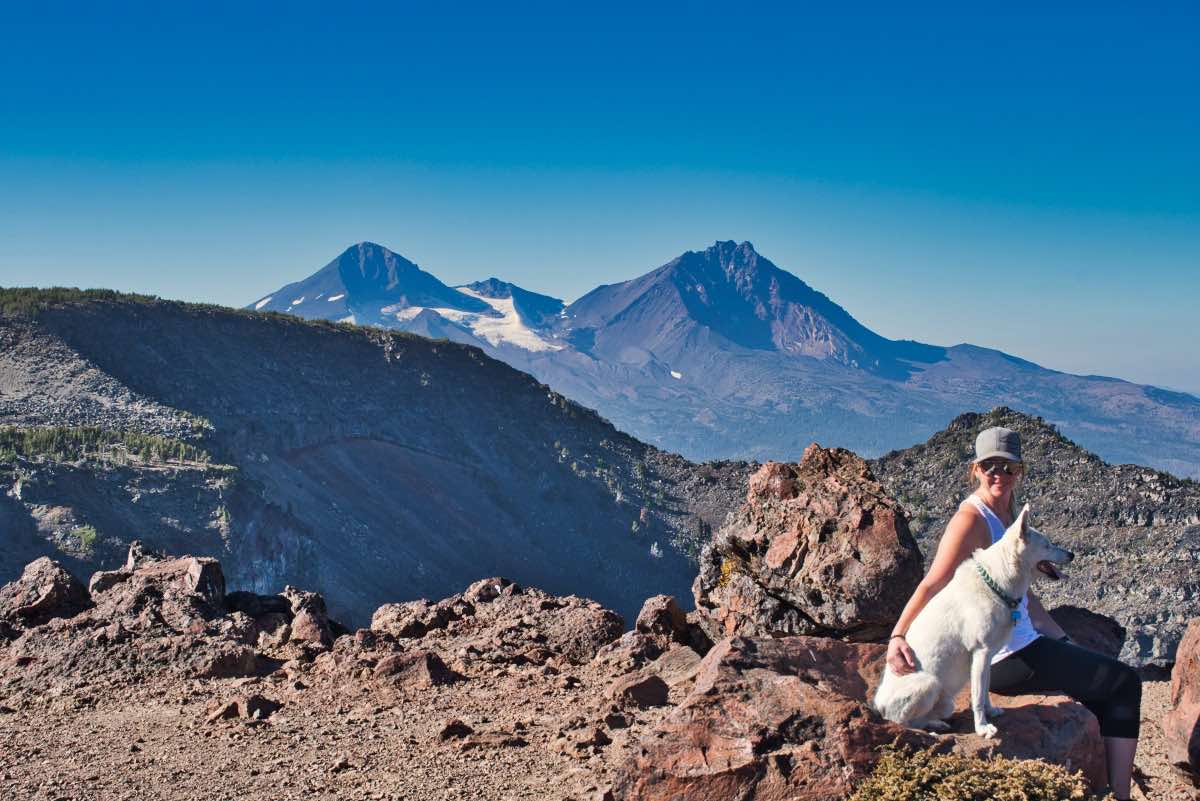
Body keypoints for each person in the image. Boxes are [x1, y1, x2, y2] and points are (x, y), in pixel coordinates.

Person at [885, 426, 1142, 800]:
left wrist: (1064, 640)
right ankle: (1121, 795)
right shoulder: (971, 519)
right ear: (975, 469)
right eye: (989, 465)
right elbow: (933, 582)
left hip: (1024, 643)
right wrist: (897, 636)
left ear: (1019, 470)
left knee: (1102, 690)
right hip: (1008, 656)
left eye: (1007, 467)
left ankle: (1103, 784)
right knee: (1125, 684)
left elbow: (1027, 599)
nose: (998, 474)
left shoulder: (1008, 517)